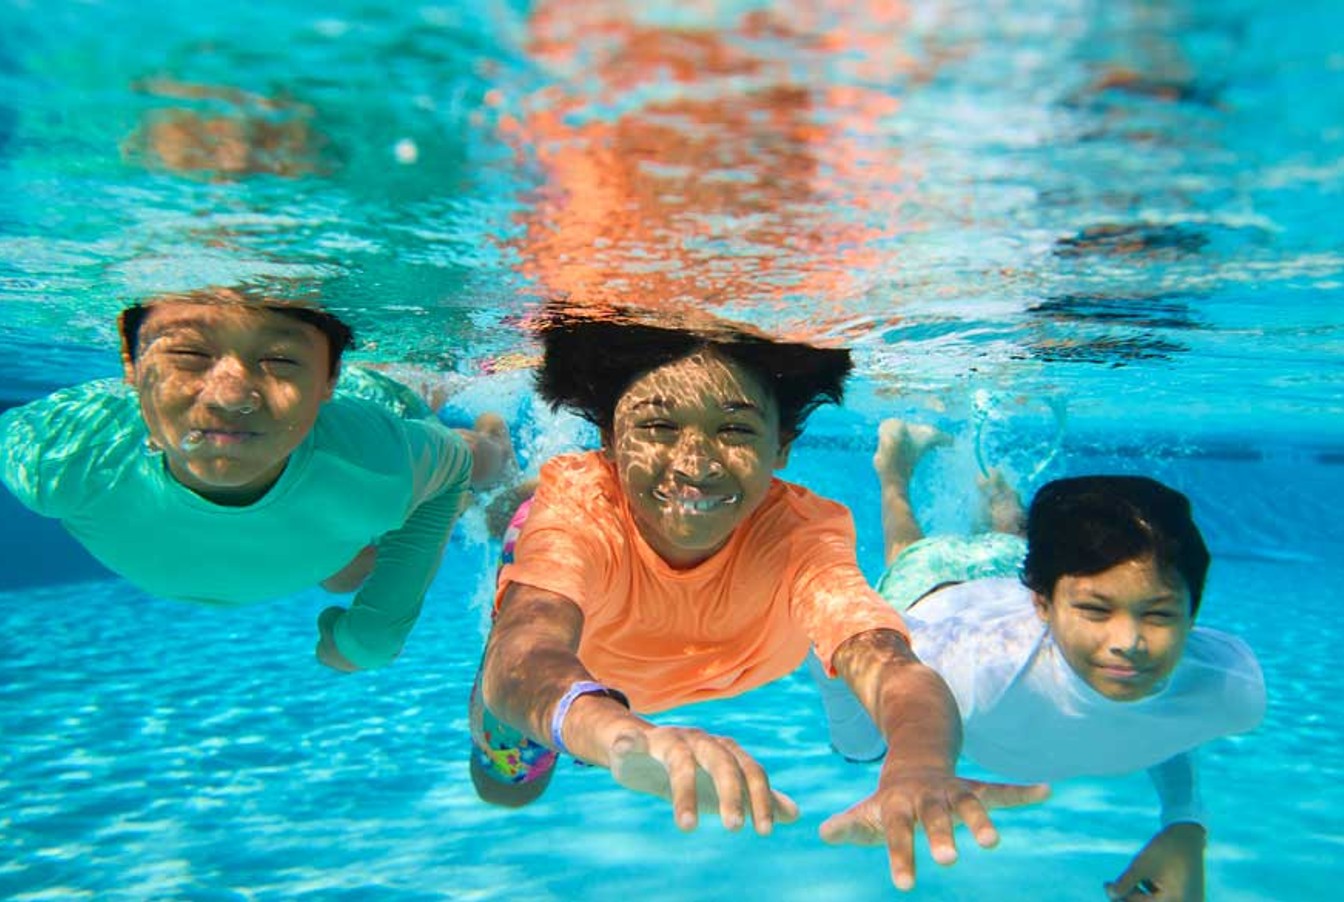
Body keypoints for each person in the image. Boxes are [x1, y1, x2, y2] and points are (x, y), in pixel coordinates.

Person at [468, 308, 1047, 893]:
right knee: (503, 787)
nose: (695, 463)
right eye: (659, 429)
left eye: (736, 429)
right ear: (612, 441)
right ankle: (513, 491)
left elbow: (889, 663)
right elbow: (525, 655)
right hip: (587, 652)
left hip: (624, 641)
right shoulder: (581, 514)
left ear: (782, 447)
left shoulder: (801, 535)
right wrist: (618, 733)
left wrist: (920, 762)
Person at [811, 419, 1266, 901]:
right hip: (934, 594)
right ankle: (895, 471)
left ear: (1194, 612)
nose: (1128, 642)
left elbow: (1176, 715)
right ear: (1042, 605)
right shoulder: (976, 668)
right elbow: (884, 672)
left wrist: (1184, 826)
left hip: (1008, 574)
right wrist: (916, 763)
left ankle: (995, 487)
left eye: (1159, 614)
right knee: (910, 551)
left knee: (1013, 543)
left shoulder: (1229, 687)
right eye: (1095, 612)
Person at [0, 287, 513, 672]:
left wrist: (377, 633)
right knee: (345, 565)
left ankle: (495, 438)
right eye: (188, 355)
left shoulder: (371, 458)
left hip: (378, 407)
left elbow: (452, 472)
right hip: (328, 525)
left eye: (279, 360)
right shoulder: (64, 456)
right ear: (131, 361)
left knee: (470, 462)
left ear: (329, 377)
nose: (227, 397)